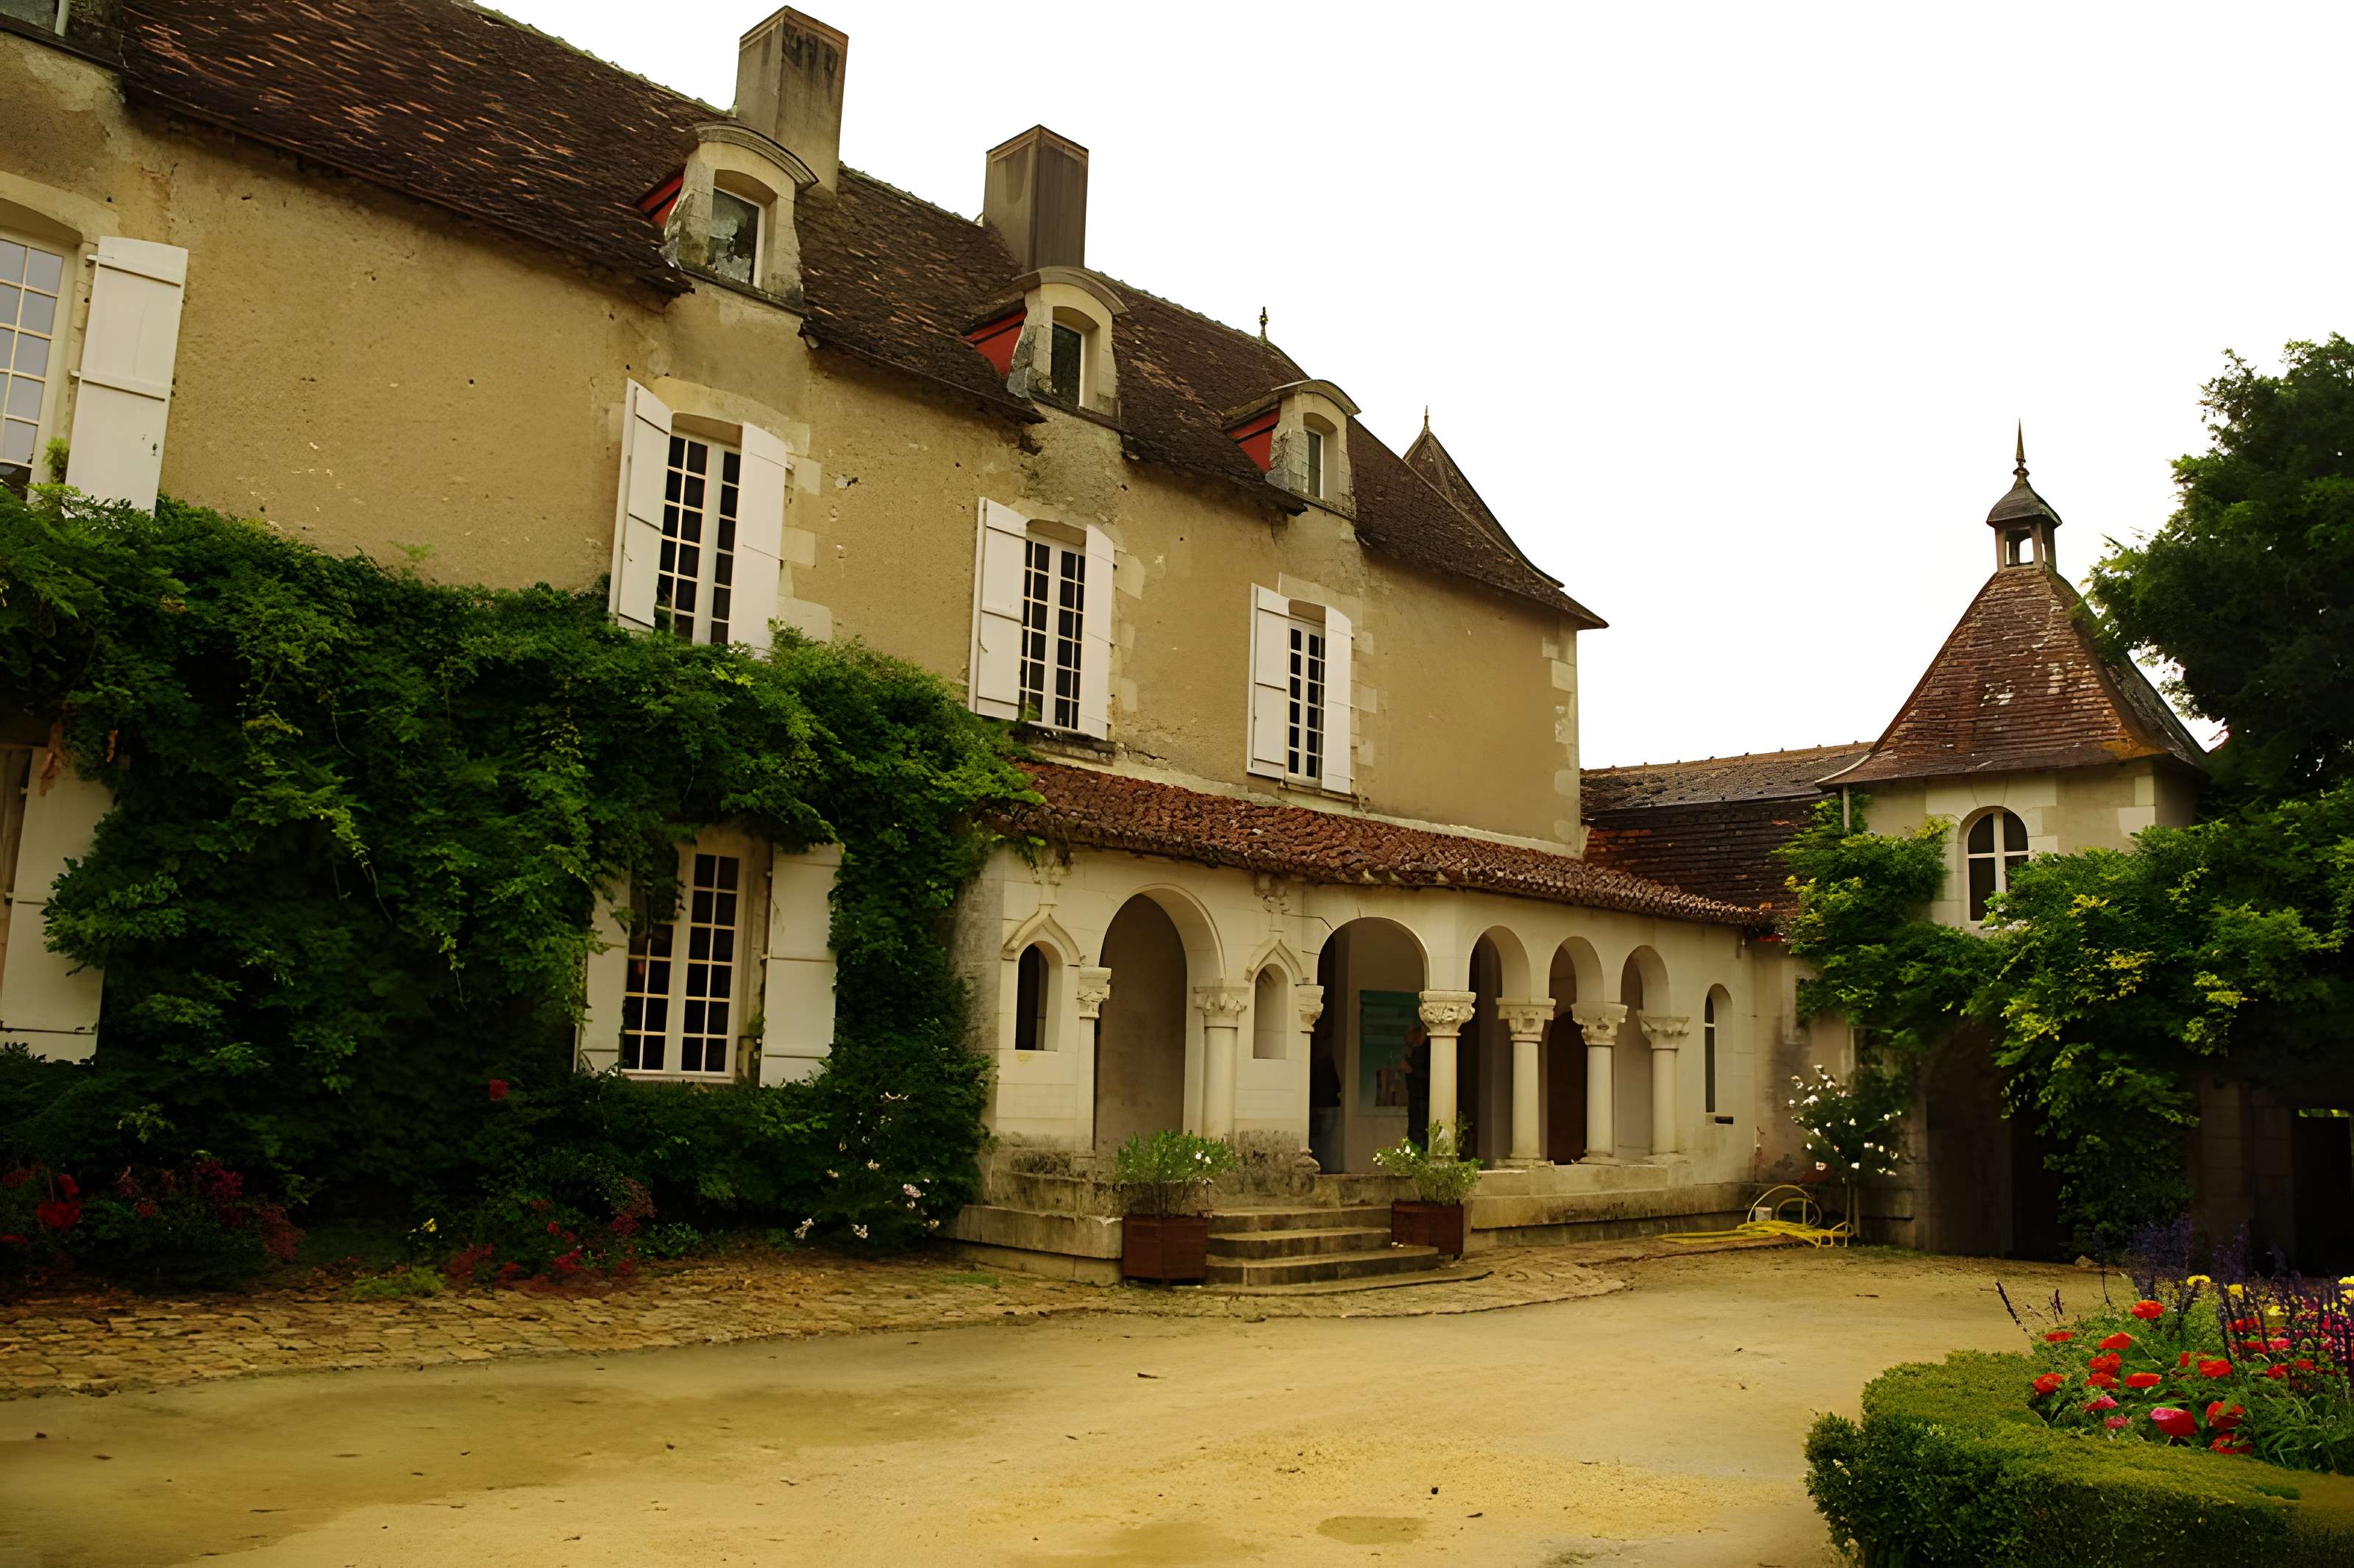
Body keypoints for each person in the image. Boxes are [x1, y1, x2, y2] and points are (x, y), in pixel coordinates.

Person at [1403, 1021, 1431, 1149]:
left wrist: (1411, 1070)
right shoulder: (1415, 1050)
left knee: (1420, 1130)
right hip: (1415, 1096)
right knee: (1414, 1130)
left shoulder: (1426, 1049)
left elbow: (1429, 1073)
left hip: (1422, 1098)